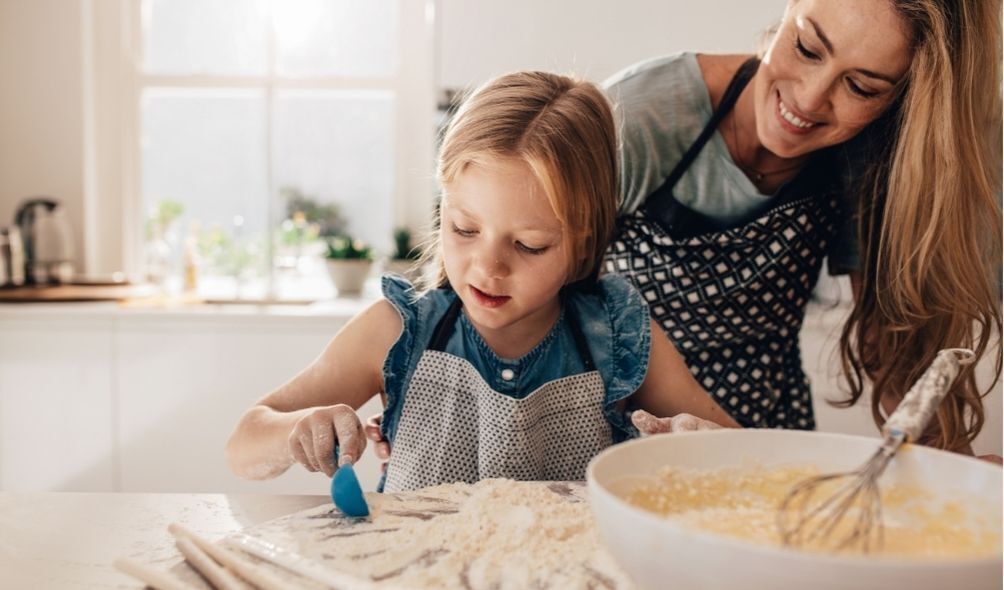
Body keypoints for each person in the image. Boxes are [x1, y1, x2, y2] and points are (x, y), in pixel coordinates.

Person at [225, 71, 740, 492]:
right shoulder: (397, 328)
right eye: (464, 229)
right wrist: (298, 427)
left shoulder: (618, 330)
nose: (488, 267)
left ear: (583, 240)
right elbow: (244, 445)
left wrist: (698, 448)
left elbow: (749, 455)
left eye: (529, 245)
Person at [601, 0, 1001, 454]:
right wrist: (731, 446)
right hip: (633, 429)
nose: (809, 98)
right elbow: (544, 305)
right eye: (807, 47)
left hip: (772, 425)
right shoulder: (637, 117)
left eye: (861, 87)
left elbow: (887, 342)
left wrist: (952, 462)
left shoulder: (870, 154)